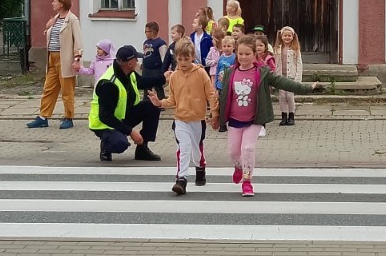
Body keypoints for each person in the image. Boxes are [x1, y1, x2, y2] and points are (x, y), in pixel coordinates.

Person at [212, 35, 319, 198]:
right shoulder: (229, 73)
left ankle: (247, 181)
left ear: (255, 54)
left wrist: (308, 88)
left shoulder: (262, 73)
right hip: (234, 120)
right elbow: (223, 96)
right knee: (234, 152)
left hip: (254, 120)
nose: (243, 57)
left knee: (248, 149)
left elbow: (284, 83)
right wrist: (216, 116)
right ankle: (238, 166)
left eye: (247, 54)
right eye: (240, 54)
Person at [146, 38, 216, 195]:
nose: (183, 62)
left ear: (193, 57)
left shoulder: (201, 74)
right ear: (175, 58)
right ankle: (181, 179)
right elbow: (172, 100)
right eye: (180, 59)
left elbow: (210, 94)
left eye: (186, 58)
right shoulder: (174, 77)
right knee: (184, 148)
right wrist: (159, 102)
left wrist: (215, 113)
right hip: (180, 119)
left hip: (197, 118)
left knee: (196, 150)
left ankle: (200, 166)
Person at [88, 45, 160, 162]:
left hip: (121, 117)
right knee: (120, 144)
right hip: (105, 124)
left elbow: (142, 82)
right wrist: (130, 132)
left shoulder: (128, 72)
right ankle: (106, 144)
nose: (138, 62)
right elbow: (105, 116)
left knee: (152, 105)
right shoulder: (109, 84)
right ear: (129, 63)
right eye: (136, 59)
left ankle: (142, 150)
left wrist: (164, 78)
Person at [28, 0, 82, 129]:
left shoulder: (72, 20)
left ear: (62, 3)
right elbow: (52, 35)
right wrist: (48, 27)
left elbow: (78, 41)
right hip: (52, 57)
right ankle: (43, 117)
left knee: (67, 91)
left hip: (65, 59)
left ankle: (68, 117)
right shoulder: (56, 19)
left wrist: (77, 59)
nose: (52, 3)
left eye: (55, 1)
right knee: (48, 89)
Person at [275, 26, 302, 125]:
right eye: (285, 35)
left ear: (293, 36)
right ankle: (283, 115)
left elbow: (299, 63)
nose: (287, 37)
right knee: (282, 96)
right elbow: (275, 63)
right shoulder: (277, 49)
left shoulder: (295, 49)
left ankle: (291, 116)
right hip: (281, 76)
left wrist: (298, 78)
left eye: (289, 36)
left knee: (290, 96)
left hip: (291, 76)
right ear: (281, 36)